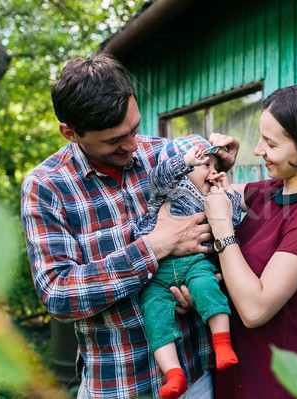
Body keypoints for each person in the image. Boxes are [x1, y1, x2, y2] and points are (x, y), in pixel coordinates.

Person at [20, 54, 239, 398]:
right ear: (70, 133)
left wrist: (222, 159)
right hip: (118, 383)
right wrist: (154, 247)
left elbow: (210, 164)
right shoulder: (47, 186)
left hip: (196, 377)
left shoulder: (165, 153)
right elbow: (58, 293)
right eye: (113, 141)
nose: (132, 145)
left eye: (134, 129)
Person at [175, 84, 297, 398]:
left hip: (270, 377)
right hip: (230, 366)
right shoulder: (274, 188)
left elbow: (256, 309)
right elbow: (213, 192)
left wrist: (221, 227)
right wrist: (218, 164)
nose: (258, 150)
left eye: (270, 143)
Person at [134, 134, 240, 398]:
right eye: (207, 165)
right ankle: (173, 374)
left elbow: (232, 222)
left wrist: (228, 195)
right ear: (185, 167)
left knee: (207, 287)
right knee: (154, 311)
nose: (214, 171)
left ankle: (223, 345)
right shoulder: (168, 189)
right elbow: (158, 176)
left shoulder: (210, 198)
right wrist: (185, 160)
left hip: (195, 264)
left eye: (217, 167)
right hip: (158, 274)